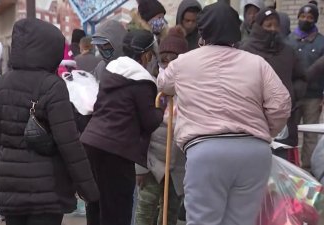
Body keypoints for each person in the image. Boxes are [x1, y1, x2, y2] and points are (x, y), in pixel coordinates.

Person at [157, 2, 291, 225]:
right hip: (254, 152)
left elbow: (163, 83)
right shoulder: (257, 63)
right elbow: (281, 103)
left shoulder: (184, 63)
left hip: (206, 152)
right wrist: (262, 131)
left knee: (203, 220)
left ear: (203, 31)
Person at [0, 18, 99, 225]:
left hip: (10, 190)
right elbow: (69, 143)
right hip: (48, 191)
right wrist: (89, 189)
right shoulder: (53, 86)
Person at [81, 29, 164, 225]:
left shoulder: (110, 70)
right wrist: (162, 109)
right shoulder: (142, 81)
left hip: (91, 142)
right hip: (116, 150)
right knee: (118, 208)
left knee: (96, 205)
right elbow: (150, 121)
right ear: (146, 55)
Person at [135, 26, 187, 225]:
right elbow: (141, 131)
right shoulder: (152, 89)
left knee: (170, 211)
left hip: (178, 166)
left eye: (174, 60)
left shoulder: (191, 91)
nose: (168, 65)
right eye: (164, 60)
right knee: (146, 208)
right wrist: (140, 169)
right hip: (153, 163)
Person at [240, 8, 307, 150]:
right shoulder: (246, 50)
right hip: (254, 118)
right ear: (259, 27)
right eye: (268, 25)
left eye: (276, 25)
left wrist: (292, 94)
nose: (273, 29)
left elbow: (300, 77)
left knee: (283, 163)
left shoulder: (288, 51)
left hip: (284, 119)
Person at [288, 1, 324, 171]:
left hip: (313, 96)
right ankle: (290, 167)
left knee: (311, 135)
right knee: (290, 133)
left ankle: (307, 170)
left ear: (315, 20)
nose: (305, 19)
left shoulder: (321, 42)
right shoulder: (288, 40)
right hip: (294, 95)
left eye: (310, 17)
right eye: (302, 16)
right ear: (298, 17)